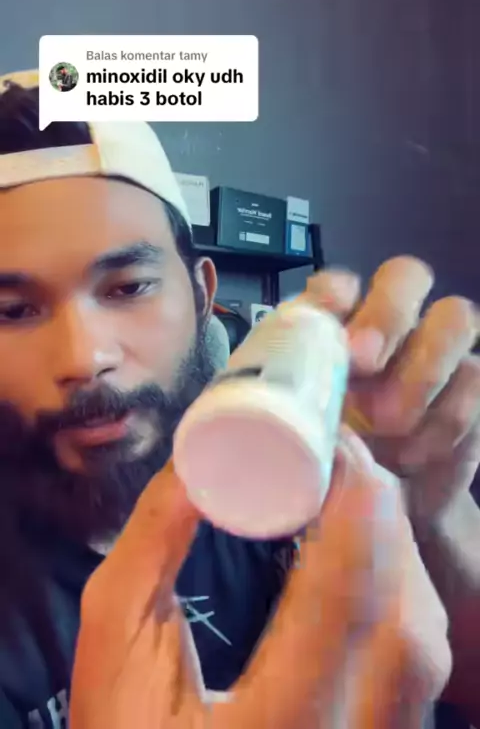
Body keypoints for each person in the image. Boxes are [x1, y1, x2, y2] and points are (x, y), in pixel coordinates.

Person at [0, 70, 478, 728]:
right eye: (14, 310)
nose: (85, 357)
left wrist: (430, 516)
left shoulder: (299, 462)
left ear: (203, 293)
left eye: (127, 288)